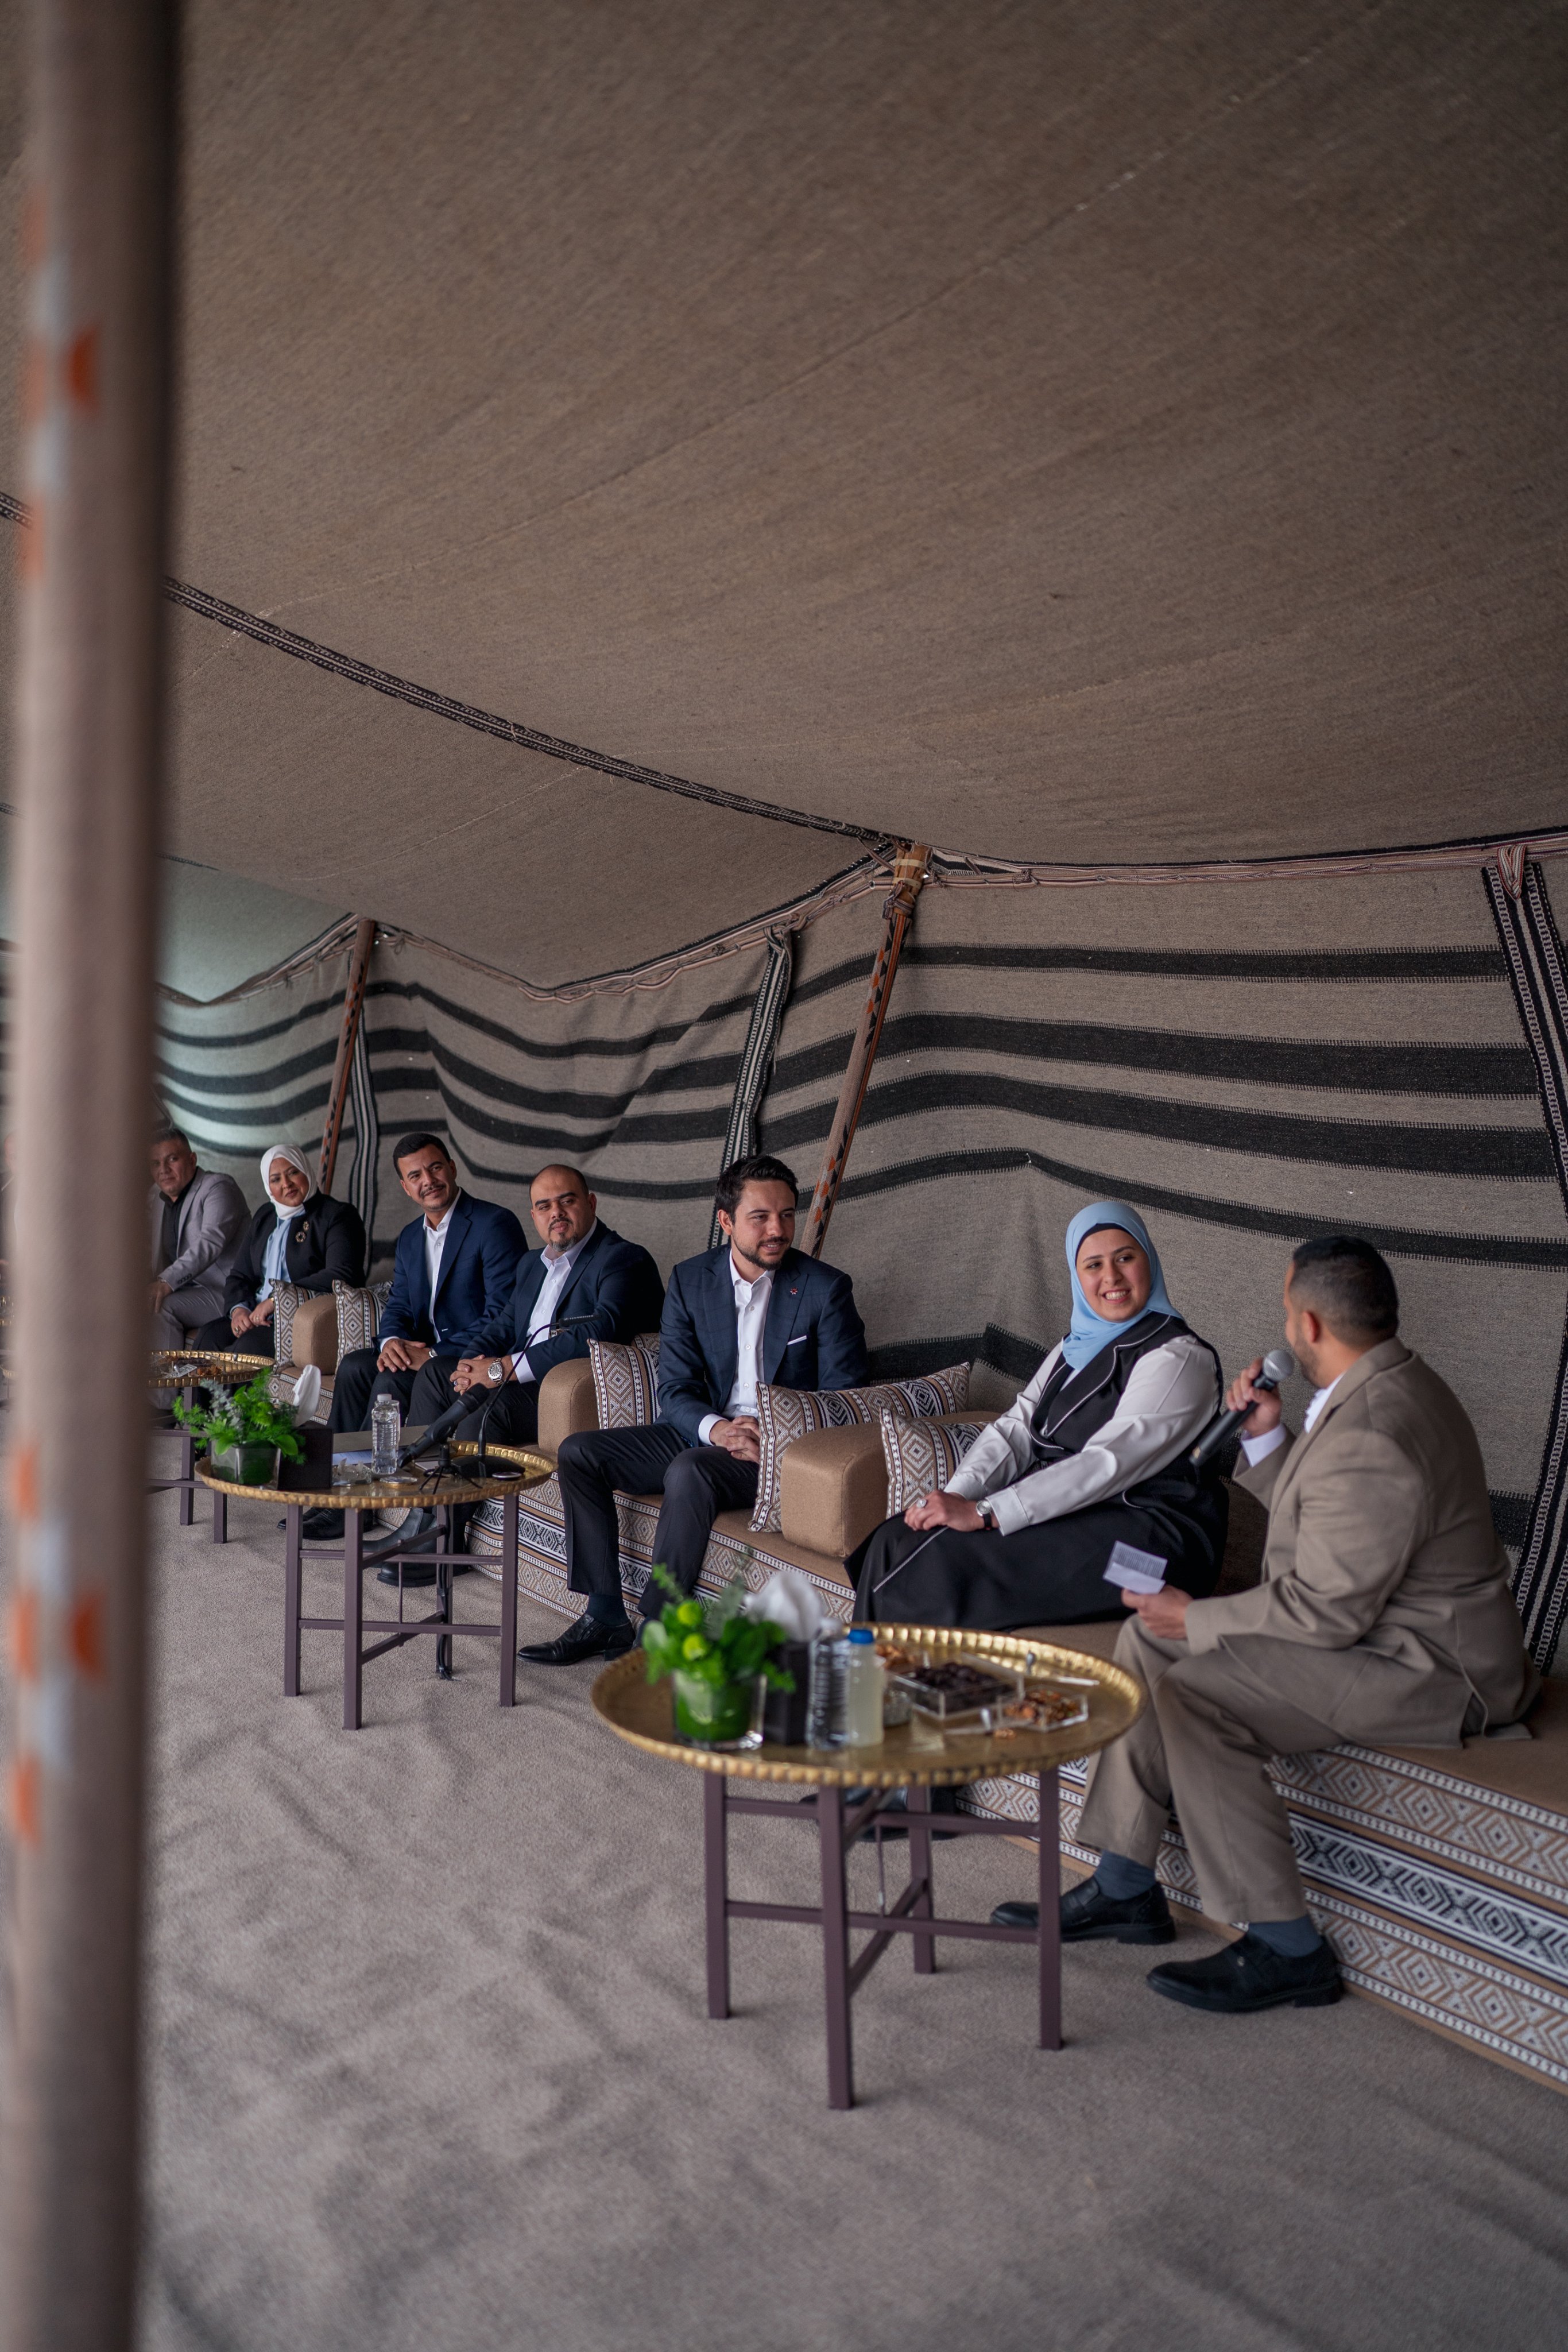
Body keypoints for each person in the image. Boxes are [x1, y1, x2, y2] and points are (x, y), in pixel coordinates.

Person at [990, 1235, 1539, 2016]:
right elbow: (1336, 1527)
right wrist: (1265, 1437)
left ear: (1308, 1325)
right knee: (1147, 1638)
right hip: (1378, 1627)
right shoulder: (1387, 1382)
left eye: (1286, 1313)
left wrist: (1198, 1615)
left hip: (1433, 1667)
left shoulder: (1374, 1426)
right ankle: (1124, 1885)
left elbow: (1325, 1609)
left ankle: (1288, 1947)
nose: (1283, 1330)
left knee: (1195, 1695)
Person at [527, 1152, 869, 1666]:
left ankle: (658, 1625)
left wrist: (775, 1430)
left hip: (774, 1447)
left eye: (786, 1215)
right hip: (705, 1429)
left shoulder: (825, 1288)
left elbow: (845, 1397)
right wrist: (717, 1429)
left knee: (690, 1471)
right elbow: (676, 1387)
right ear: (725, 1221)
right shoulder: (691, 1280)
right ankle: (606, 1616)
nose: (777, 1230)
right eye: (760, 1217)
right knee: (580, 1453)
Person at [857, 1202, 1225, 1630]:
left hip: (1151, 1551)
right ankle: (859, 1668)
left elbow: (1108, 1462)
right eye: (1093, 1265)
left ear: (1149, 1262)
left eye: (1125, 1258)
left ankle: (892, 1670)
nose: (1111, 1277)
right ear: (1077, 1276)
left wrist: (986, 1512)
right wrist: (955, 1497)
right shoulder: (1075, 1348)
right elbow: (1015, 1429)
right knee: (895, 1538)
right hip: (1079, 1517)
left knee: (942, 1563)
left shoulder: (1179, 1357)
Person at [366, 1163, 665, 1572]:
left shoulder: (622, 1258)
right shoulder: (531, 1264)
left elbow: (598, 1332)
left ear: (591, 1203)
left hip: (570, 1394)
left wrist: (499, 1369)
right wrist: (470, 1364)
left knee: (487, 1407)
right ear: (534, 1216)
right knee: (436, 1375)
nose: (556, 1213)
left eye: (567, 1201)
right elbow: (503, 1325)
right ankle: (420, 1515)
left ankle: (447, 1539)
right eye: (544, 1206)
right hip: (520, 1380)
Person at [300, 1134, 524, 1541]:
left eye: (435, 1168)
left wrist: (435, 1353)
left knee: (390, 1379)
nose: (428, 1181)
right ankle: (334, 1484)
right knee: (355, 1366)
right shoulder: (409, 1237)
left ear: (452, 1168)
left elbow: (503, 1313)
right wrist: (391, 1342)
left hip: (467, 1358)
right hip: (424, 1354)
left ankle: (362, 1499)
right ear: (405, 1187)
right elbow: (400, 1305)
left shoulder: (493, 1224)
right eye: (416, 1175)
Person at [192, 1143, 366, 1351]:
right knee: (208, 1338)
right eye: (276, 1179)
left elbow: (343, 1274)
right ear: (269, 1187)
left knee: (249, 1348)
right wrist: (239, 1310)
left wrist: (277, 1300)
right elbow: (240, 1275)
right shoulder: (265, 1216)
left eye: (293, 1173)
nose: (287, 1184)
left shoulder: (337, 1215)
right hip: (257, 1313)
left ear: (306, 1171)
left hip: (302, 1317)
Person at [148, 1128, 249, 1399]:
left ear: (192, 1160)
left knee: (161, 1306)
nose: (164, 1170)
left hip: (225, 1292)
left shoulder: (218, 1187)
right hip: (191, 1291)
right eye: (156, 1163)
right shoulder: (156, 1200)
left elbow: (210, 1243)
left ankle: (163, 1405)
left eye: (172, 1159)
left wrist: (165, 1282)